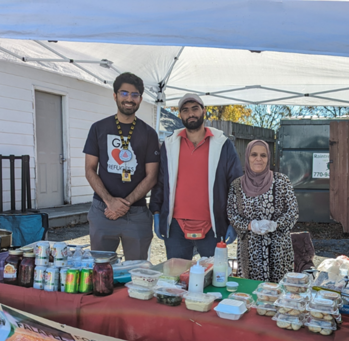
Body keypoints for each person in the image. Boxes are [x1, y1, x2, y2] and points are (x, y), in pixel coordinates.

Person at [150, 93, 242, 259]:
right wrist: (156, 213)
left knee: (215, 279)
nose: (190, 113)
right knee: (176, 280)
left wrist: (234, 221)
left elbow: (235, 184)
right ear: (180, 115)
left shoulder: (223, 145)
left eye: (195, 109)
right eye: (185, 110)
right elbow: (160, 182)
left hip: (213, 225)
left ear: (203, 111)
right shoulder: (170, 145)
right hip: (175, 227)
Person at [83, 72, 159, 260]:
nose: (129, 99)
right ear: (115, 95)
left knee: (137, 273)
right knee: (101, 270)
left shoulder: (149, 133)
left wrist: (124, 204)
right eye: (124, 93)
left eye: (134, 95)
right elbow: (89, 169)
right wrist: (110, 202)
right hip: (103, 210)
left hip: (137, 213)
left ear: (140, 99)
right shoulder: (98, 128)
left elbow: (152, 176)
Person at [227, 139, 299, 282]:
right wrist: (250, 225)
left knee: (278, 295)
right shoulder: (237, 185)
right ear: (247, 157)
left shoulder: (282, 181)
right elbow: (232, 214)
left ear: (268, 158)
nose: (258, 159)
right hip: (250, 252)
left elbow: (293, 211)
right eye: (254, 154)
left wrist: (275, 225)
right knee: (251, 293)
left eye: (263, 155)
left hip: (278, 252)